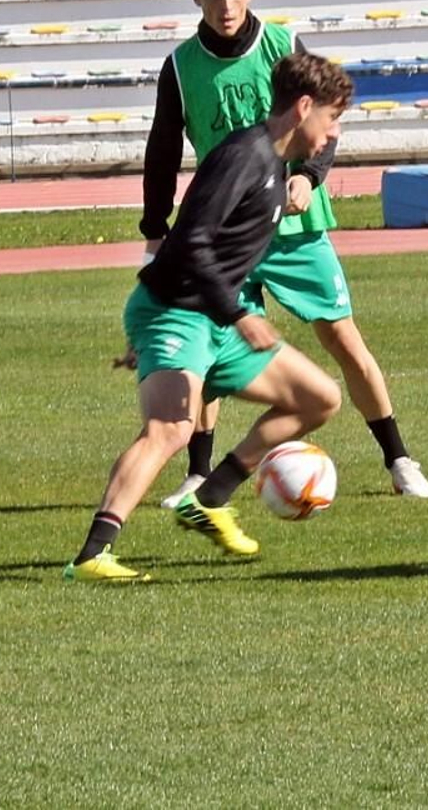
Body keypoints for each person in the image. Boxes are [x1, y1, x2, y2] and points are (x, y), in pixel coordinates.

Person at [130, 0, 428, 502]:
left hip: (295, 226)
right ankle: (199, 474)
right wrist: (156, 226)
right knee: (209, 347)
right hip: (225, 234)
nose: (226, 5)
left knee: (343, 339)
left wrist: (310, 177)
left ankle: (398, 457)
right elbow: (162, 149)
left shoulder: (281, 44)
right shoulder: (179, 65)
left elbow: (327, 121)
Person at [65, 53, 352, 581]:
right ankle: (91, 557)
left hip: (213, 318)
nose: (333, 133)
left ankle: (210, 497)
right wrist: (234, 314)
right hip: (177, 313)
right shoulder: (245, 157)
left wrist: (229, 314)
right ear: (304, 107)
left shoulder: (277, 164)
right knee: (170, 430)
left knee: (320, 398)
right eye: (331, 118)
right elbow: (191, 241)